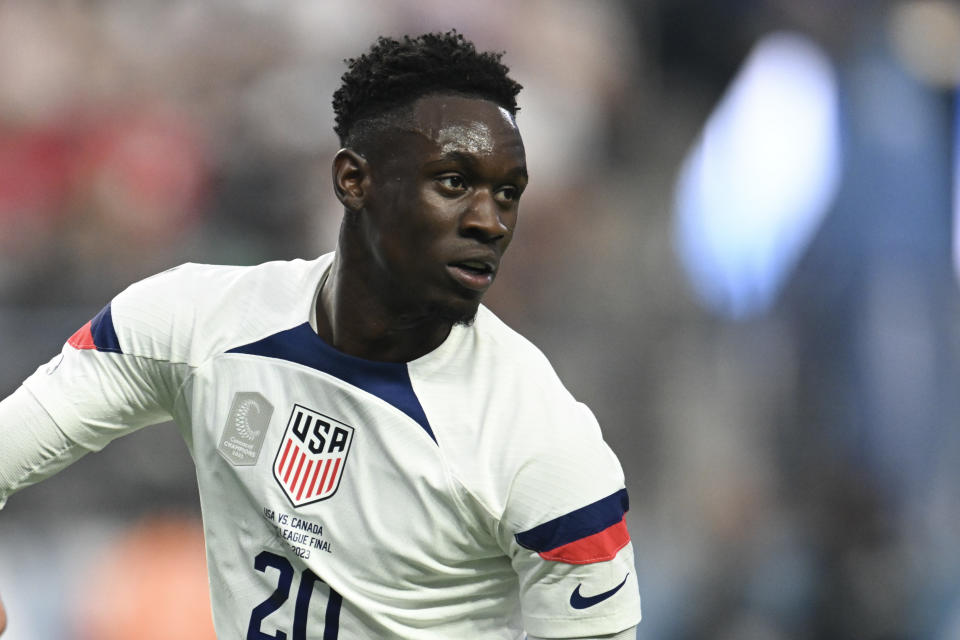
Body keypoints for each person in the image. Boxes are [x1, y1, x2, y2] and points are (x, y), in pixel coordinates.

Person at [0, 32, 641, 639]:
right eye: (454, 183)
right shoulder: (190, 323)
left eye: (507, 194)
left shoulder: (543, 443)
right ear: (352, 180)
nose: (489, 222)